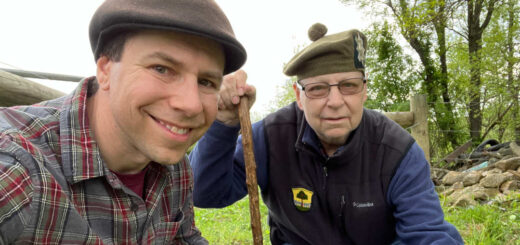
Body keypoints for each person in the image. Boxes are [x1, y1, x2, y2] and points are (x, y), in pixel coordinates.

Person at [189, 23, 463, 244]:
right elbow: (205, 193)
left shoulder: (396, 151)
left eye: (348, 85)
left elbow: (428, 235)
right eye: (318, 88)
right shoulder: (271, 137)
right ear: (299, 95)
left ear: (364, 90)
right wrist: (224, 124)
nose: (334, 101)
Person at [0, 0, 246, 243]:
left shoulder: (174, 166)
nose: (191, 104)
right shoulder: (16, 169)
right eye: (161, 69)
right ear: (105, 70)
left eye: (206, 82)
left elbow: (183, 237)